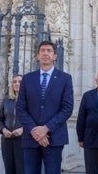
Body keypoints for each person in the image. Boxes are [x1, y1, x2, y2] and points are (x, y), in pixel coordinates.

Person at [16, 40, 74, 174]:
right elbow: (20, 108)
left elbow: (67, 108)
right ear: (37, 55)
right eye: (42, 51)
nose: (45, 53)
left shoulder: (65, 78)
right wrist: (35, 131)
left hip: (54, 138)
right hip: (31, 138)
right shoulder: (27, 78)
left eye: (49, 51)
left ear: (55, 56)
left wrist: (46, 128)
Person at [0, 74, 25, 174]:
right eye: (14, 82)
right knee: (9, 170)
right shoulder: (7, 100)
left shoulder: (29, 101)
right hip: (7, 140)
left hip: (23, 140)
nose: (17, 84)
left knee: (22, 170)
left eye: (20, 82)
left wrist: (23, 129)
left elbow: (36, 120)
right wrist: (3, 130)